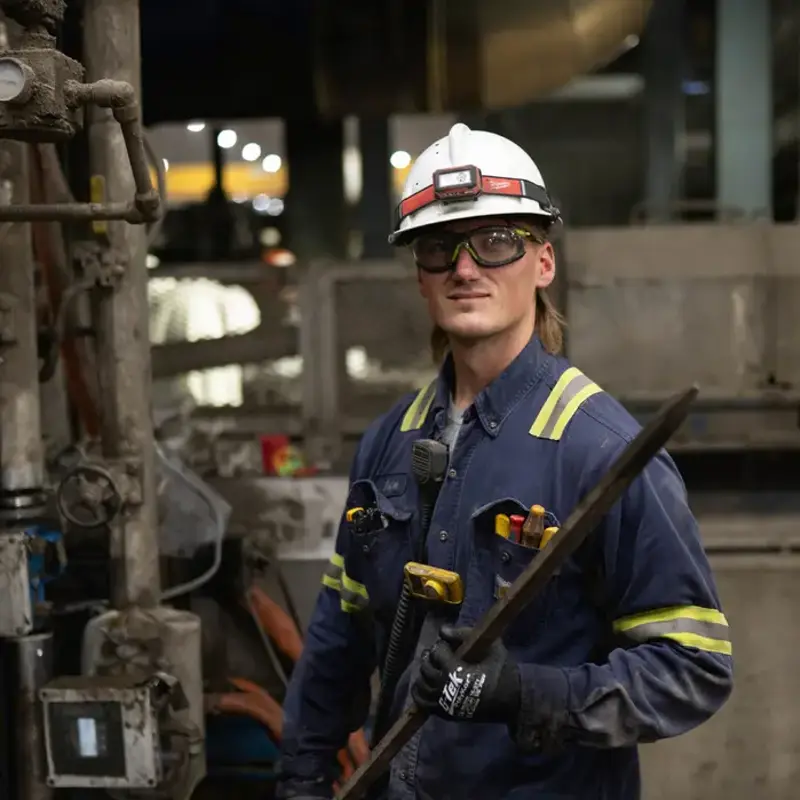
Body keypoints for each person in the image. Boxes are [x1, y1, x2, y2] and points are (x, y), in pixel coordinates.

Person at [276, 123, 733, 800]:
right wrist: (303, 776)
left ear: (542, 262)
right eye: (441, 248)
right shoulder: (387, 443)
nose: (466, 268)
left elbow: (693, 668)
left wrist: (529, 694)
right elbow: (339, 638)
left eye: (496, 242)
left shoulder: (598, 448)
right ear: (421, 276)